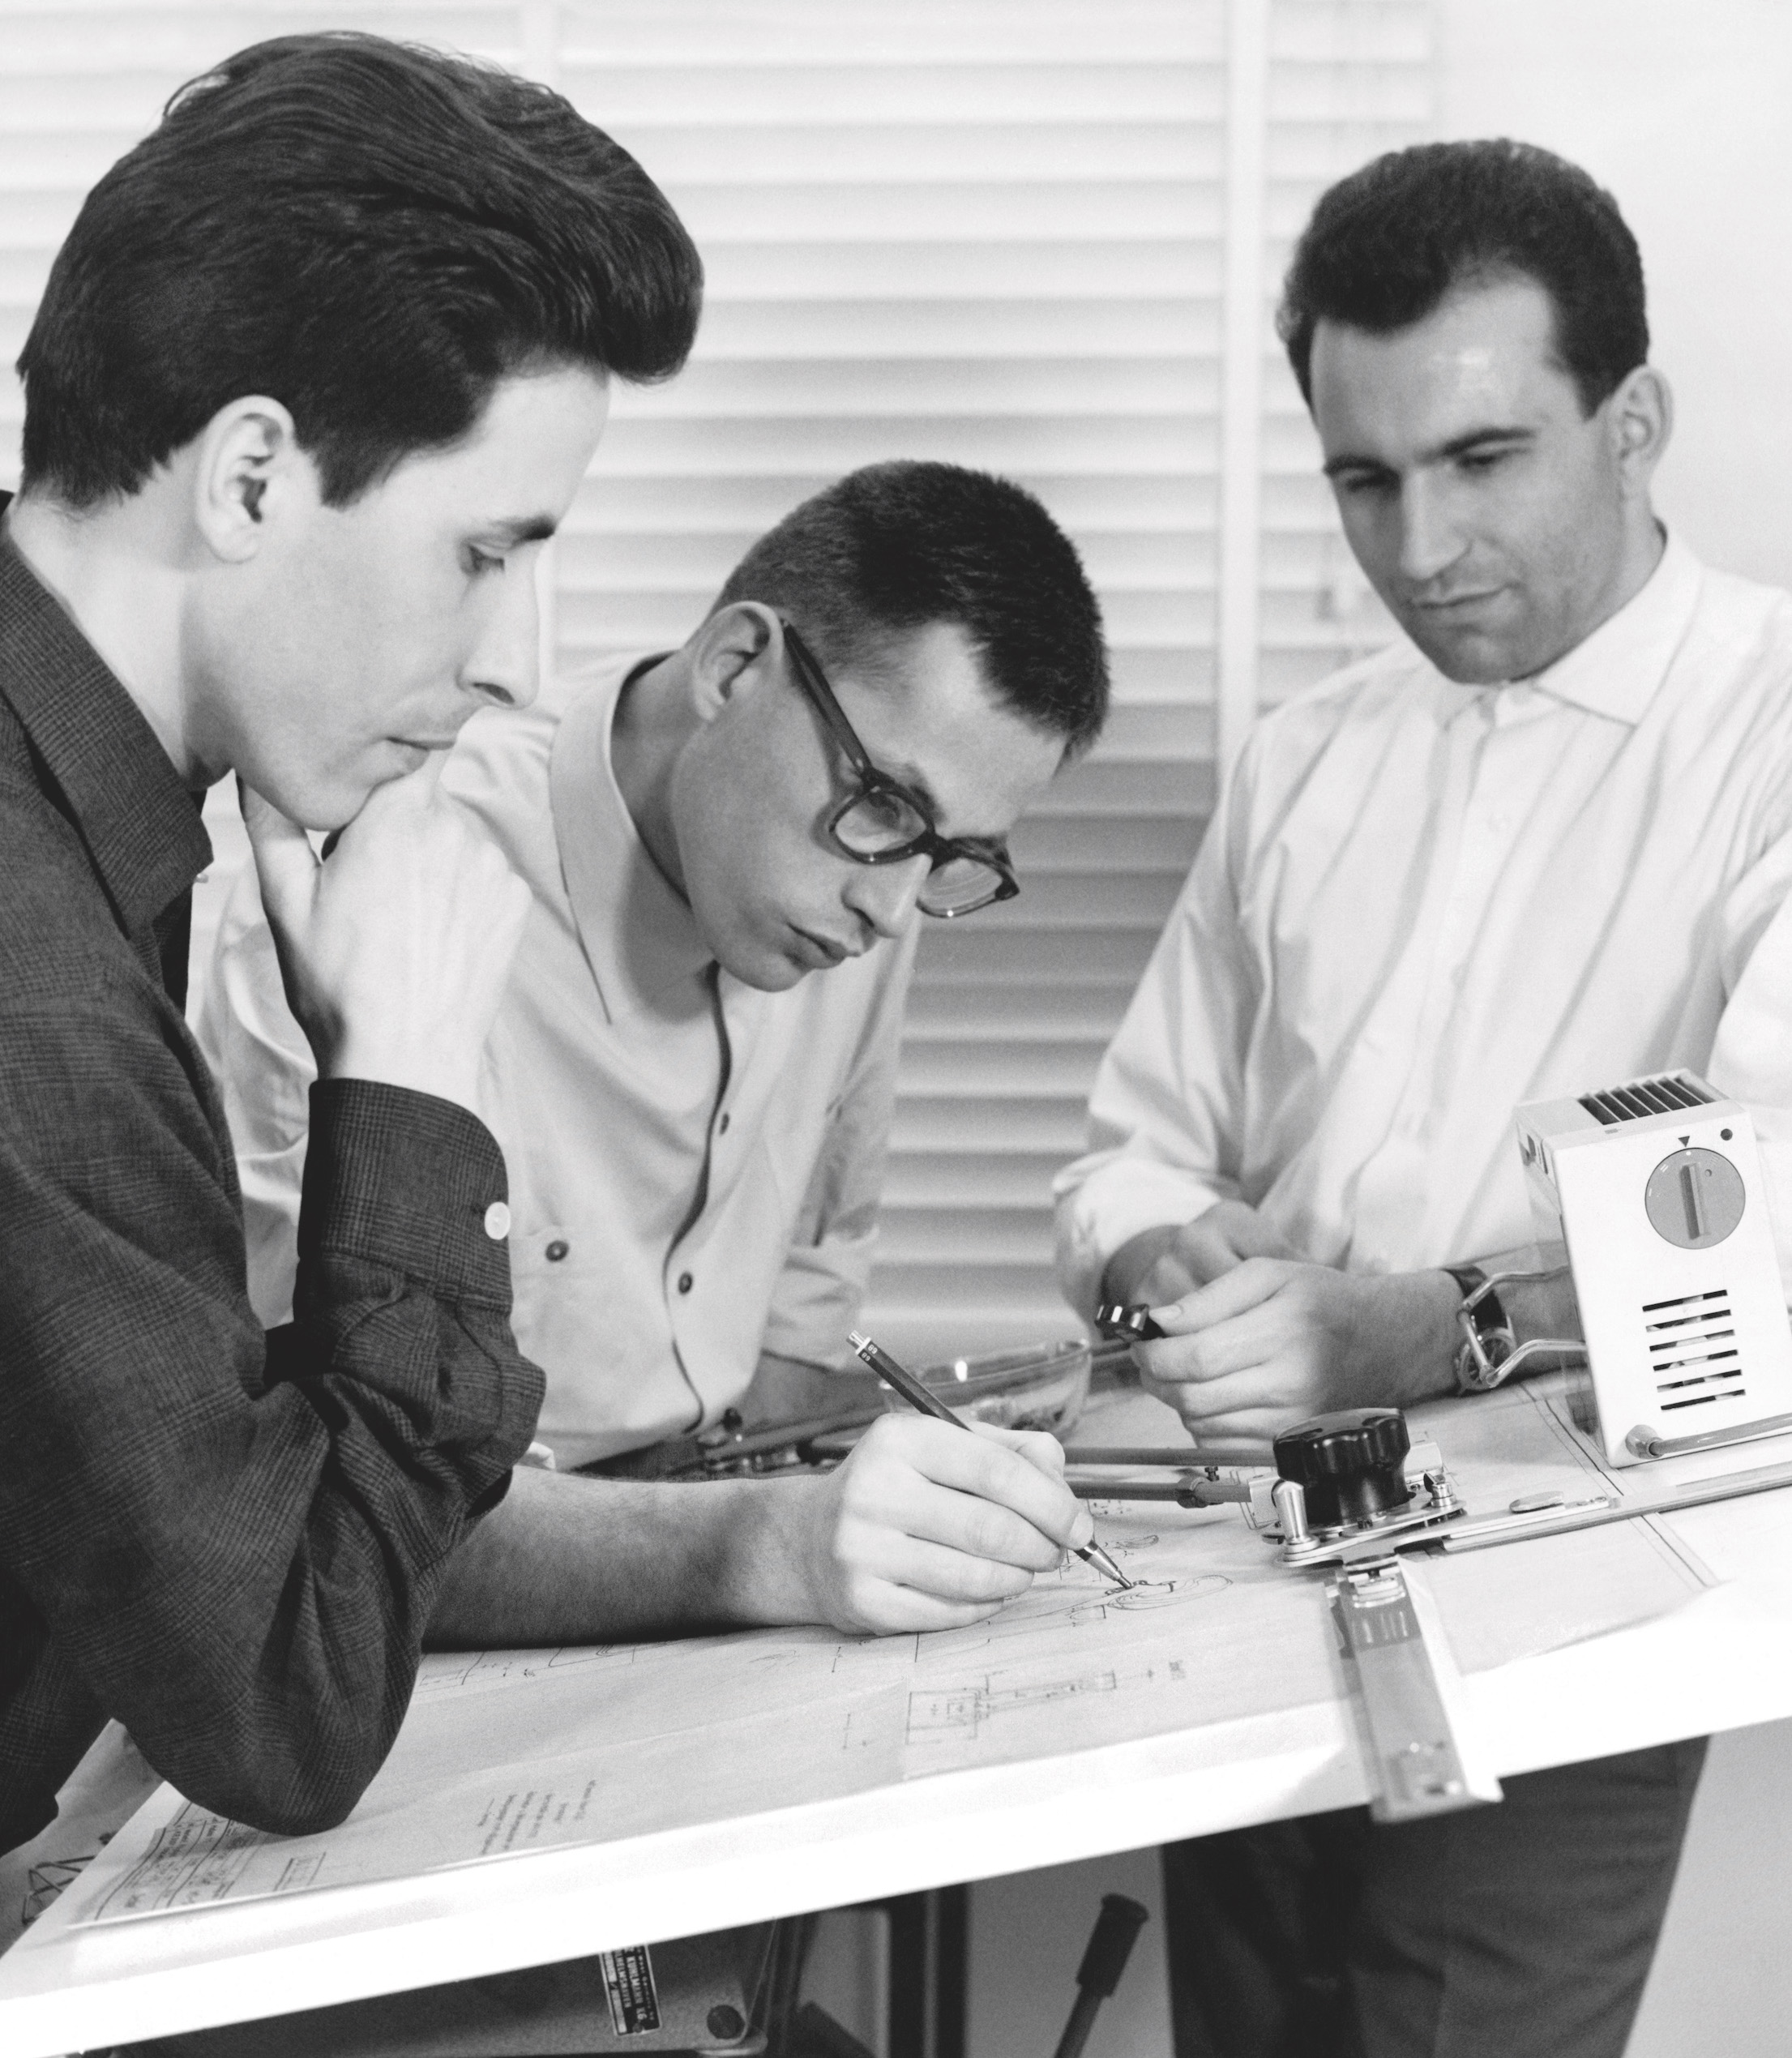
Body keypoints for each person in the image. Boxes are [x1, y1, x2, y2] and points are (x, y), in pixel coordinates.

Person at [0, 34, 1087, 1863]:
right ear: (252, 478)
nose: (509, 653)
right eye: (483, 551)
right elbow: (284, 1691)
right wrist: (407, 1083)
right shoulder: (38, 984)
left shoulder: (116, 834)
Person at [1054, 138, 1792, 2057]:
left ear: (1629, 420)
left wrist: (1425, 1318)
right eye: (1359, 479)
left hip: (1576, 1601)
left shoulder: (1775, 725)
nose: (1411, 546)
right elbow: (1130, 1141)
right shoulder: (1303, 755)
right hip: (1248, 1558)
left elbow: (1766, 1222)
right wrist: (1161, 1256)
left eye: (1478, 462)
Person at [199, 460, 1111, 1475]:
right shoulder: (375, 892)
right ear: (733, 667)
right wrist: (749, 1544)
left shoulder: (862, 883)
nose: (894, 913)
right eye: (891, 804)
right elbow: (312, 1478)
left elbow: (808, 1287)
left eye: (955, 856)